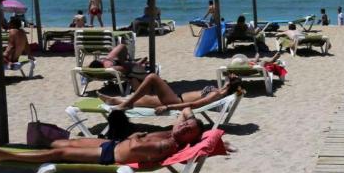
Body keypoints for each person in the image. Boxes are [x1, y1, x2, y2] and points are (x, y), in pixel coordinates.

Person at [0, 108, 204, 166]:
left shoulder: (168, 143)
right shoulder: (175, 131)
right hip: (114, 143)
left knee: (61, 152)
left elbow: (136, 150)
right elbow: (186, 111)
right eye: (185, 125)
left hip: (110, 154)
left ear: (187, 138)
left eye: (187, 130)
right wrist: (195, 128)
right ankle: (31, 145)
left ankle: (11, 155)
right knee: (69, 142)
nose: (183, 127)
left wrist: (136, 135)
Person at [100, 74, 244, 112]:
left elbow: (194, 104)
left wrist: (168, 107)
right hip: (176, 98)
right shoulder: (219, 91)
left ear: (230, 83)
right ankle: (115, 100)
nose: (229, 75)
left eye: (230, 76)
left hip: (176, 102)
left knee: (152, 78)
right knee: (144, 100)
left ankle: (124, 103)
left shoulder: (216, 95)